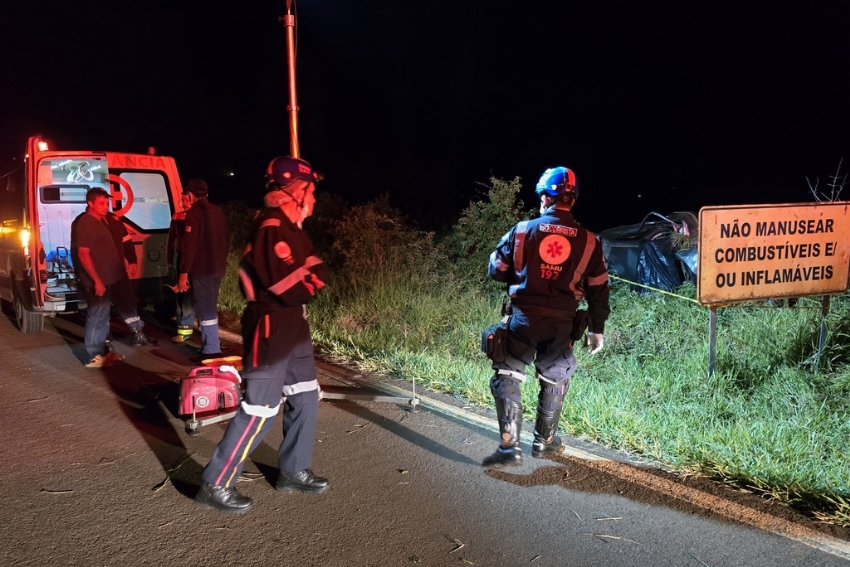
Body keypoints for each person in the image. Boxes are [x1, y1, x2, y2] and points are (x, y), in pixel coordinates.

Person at [194, 156, 329, 514]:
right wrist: (308, 280)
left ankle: (293, 470)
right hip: (270, 325)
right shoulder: (272, 228)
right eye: (311, 190)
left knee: (306, 395)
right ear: (295, 190)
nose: (314, 198)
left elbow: (318, 271)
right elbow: (291, 285)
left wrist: (309, 279)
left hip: (293, 324)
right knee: (260, 408)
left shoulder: (293, 229)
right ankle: (215, 483)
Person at [482, 166, 610, 467]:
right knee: (555, 376)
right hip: (562, 322)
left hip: (522, 317)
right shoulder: (589, 241)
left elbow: (496, 269)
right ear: (572, 200)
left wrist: (529, 271)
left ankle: (509, 446)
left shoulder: (522, 230)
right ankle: (544, 442)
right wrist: (597, 329)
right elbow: (599, 289)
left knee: (507, 373)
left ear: (544, 198)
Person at [72, 187, 156, 368]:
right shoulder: (86, 223)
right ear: (90, 203)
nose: (106, 206)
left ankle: (104, 353)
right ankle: (92, 356)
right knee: (97, 317)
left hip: (112, 277)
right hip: (99, 280)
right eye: (102, 203)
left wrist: (130, 261)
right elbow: (83, 254)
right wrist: (97, 280)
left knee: (104, 316)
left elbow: (123, 241)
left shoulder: (107, 219)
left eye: (107, 202)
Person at [176, 179, 229, 358]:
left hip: (203, 269)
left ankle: (211, 349)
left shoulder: (194, 213)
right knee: (210, 306)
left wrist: (184, 271)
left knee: (205, 309)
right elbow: (226, 239)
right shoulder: (218, 211)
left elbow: (190, 246)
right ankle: (211, 344)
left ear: (191, 195)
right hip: (217, 267)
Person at [166, 191, 195, 343]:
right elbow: (171, 240)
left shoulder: (197, 217)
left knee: (188, 298)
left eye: (187, 200)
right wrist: (169, 260)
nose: (184, 203)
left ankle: (186, 328)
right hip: (180, 258)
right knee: (180, 294)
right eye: (182, 200)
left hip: (193, 261)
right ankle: (183, 328)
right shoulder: (177, 217)